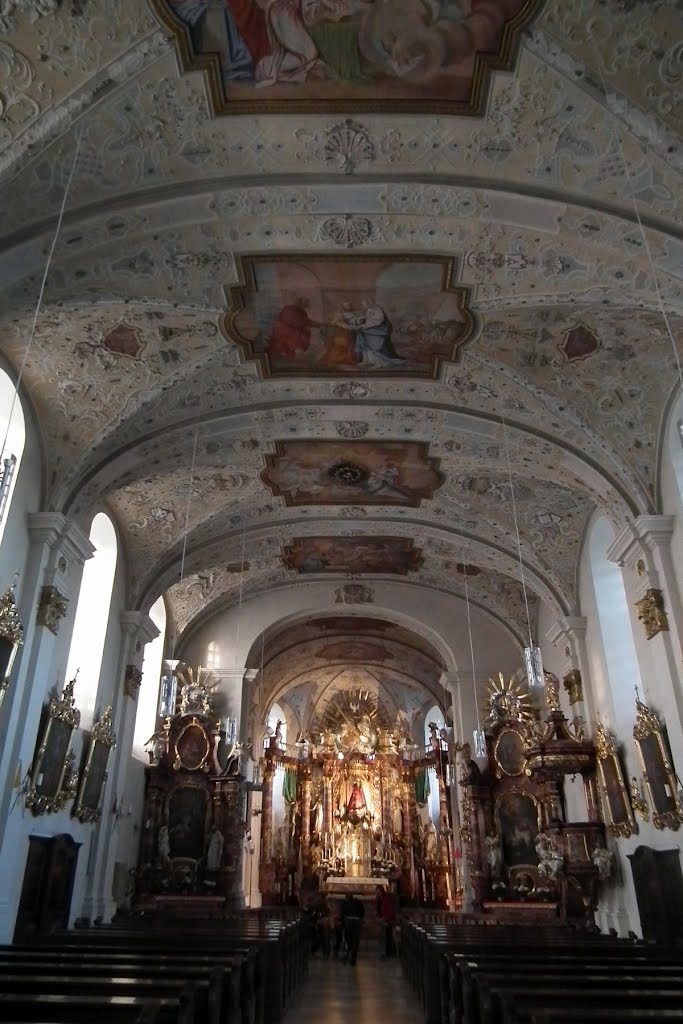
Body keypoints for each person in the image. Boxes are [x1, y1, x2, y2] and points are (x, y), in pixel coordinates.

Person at [340, 891, 364, 965]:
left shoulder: (344, 903)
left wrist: (343, 925)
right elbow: (362, 912)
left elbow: (342, 914)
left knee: (348, 940)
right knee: (355, 941)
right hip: (357, 921)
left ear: (346, 898)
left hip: (349, 922)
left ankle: (348, 955)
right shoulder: (358, 902)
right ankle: (353, 958)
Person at [379, 884, 397, 958]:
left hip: (388, 920)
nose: (377, 893)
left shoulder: (387, 898)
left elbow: (389, 910)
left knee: (388, 937)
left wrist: (386, 920)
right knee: (386, 937)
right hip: (385, 919)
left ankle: (389, 952)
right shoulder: (381, 898)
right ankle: (388, 952)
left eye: (378, 891)